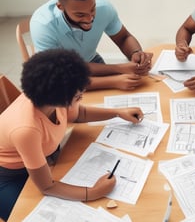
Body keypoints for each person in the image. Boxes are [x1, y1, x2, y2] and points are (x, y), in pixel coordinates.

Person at [0, 49, 144, 221]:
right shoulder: (26, 129)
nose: (82, 96)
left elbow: (78, 114)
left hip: (43, 159)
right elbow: (47, 187)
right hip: (10, 177)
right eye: (78, 95)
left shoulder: (47, 96)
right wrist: (94, 192)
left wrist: (117, 112)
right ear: (58, 99)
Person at [30, 0, 153, 91]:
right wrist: (114, 77)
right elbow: (63, 78)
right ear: (60, 7)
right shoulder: (42, 26)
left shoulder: (104, 7)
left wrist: (136, 52)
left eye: (92, 9)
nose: (89, 19)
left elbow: (124, 37)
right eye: (80, 15)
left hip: (92, 60)